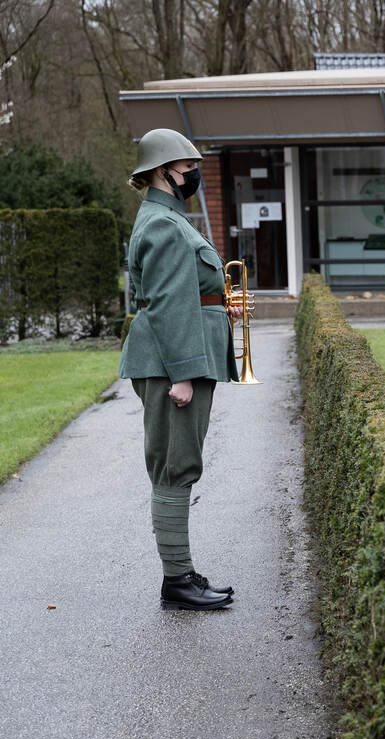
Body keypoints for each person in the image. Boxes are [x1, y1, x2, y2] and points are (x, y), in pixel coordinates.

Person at [118, 127, 239, 611]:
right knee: (174, 466)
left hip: (174, 358)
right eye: (189, 168)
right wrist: (183, 375)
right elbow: (168, 304)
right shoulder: (165, 225)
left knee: (177, 463)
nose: (194, 174)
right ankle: (177, 582)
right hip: (173, 365)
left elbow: (187, 291)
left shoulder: (168, 218)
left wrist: (217, 306)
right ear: (164, 171)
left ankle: (181, 572)